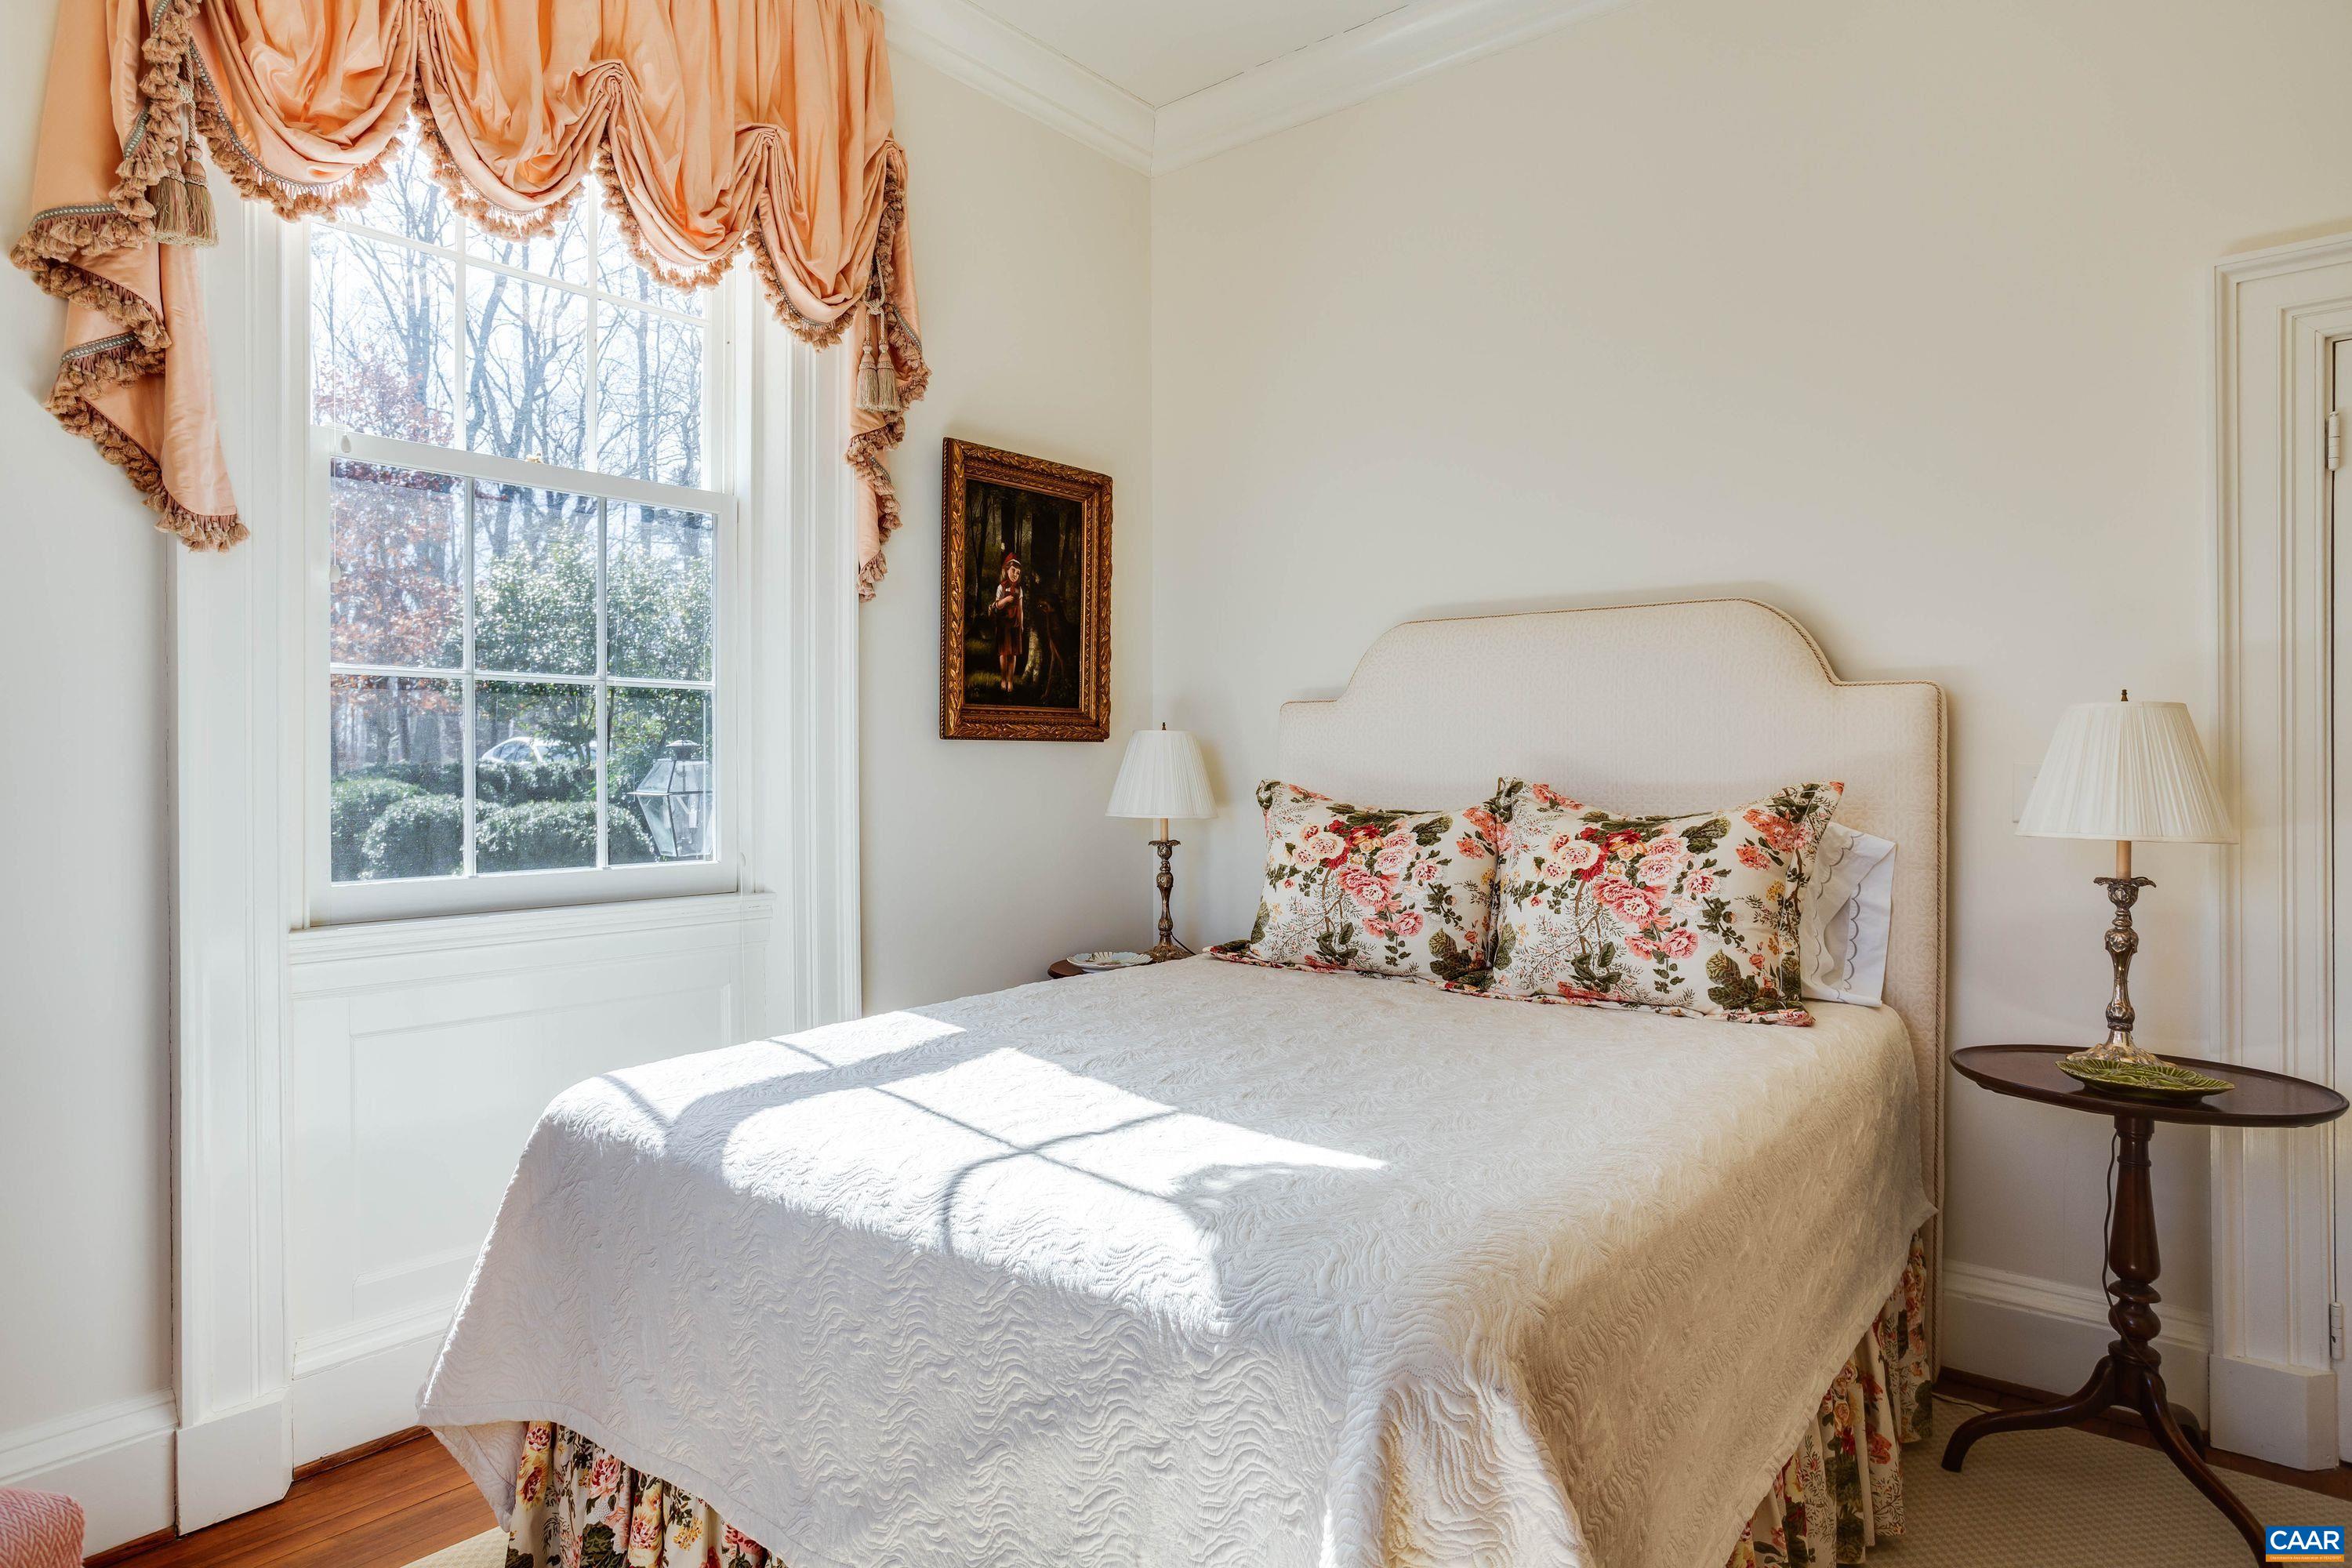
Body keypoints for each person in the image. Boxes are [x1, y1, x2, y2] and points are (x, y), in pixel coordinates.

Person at [989, 551, 1025, 696]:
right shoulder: (1001, 587)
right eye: (1013, 571)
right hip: (1004, 624)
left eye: (1018, 572)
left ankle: (1011, 680)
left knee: (1013, 654)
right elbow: (996, 605)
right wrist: (1005, 601)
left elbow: (1021, 608)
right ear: (1006, 570)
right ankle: (1003, 679)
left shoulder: (1019, 589)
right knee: (1004, 653)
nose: (1015, 574)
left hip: (1015, 624)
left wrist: (1021, 624)